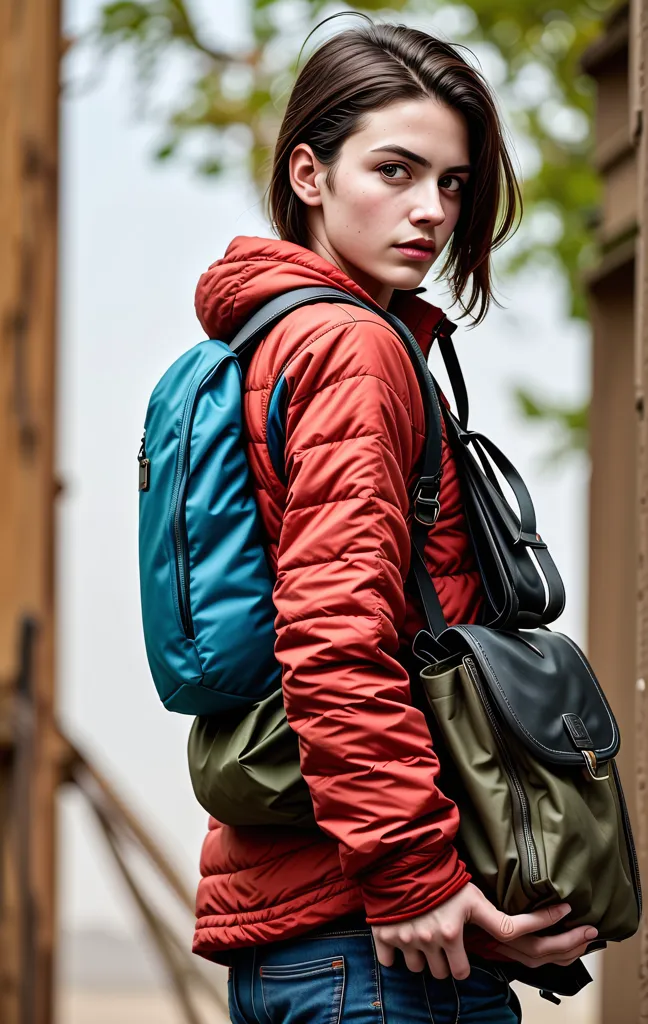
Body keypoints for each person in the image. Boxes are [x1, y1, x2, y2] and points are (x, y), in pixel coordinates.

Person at [191, 16, 598, 1023]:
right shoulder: (352, 352)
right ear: (310, 173)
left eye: (453, 183)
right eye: (396, 170)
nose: (432, 210)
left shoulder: (266, 339)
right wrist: (416, 876)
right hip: (377, 951)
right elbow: (332, 635)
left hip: (303, 939)